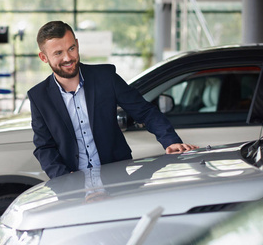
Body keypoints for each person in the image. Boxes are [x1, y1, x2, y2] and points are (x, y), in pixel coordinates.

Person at [28, 21, 198, 179]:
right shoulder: (38, 97)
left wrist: (172, 142)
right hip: (71, 183)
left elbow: (145, 112)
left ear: (77, 44)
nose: (68, 58)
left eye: (71, 48)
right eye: (58, 53)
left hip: (117, 176)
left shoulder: (106, 77)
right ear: (44, 58)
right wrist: (63, 178)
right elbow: (44, 147)